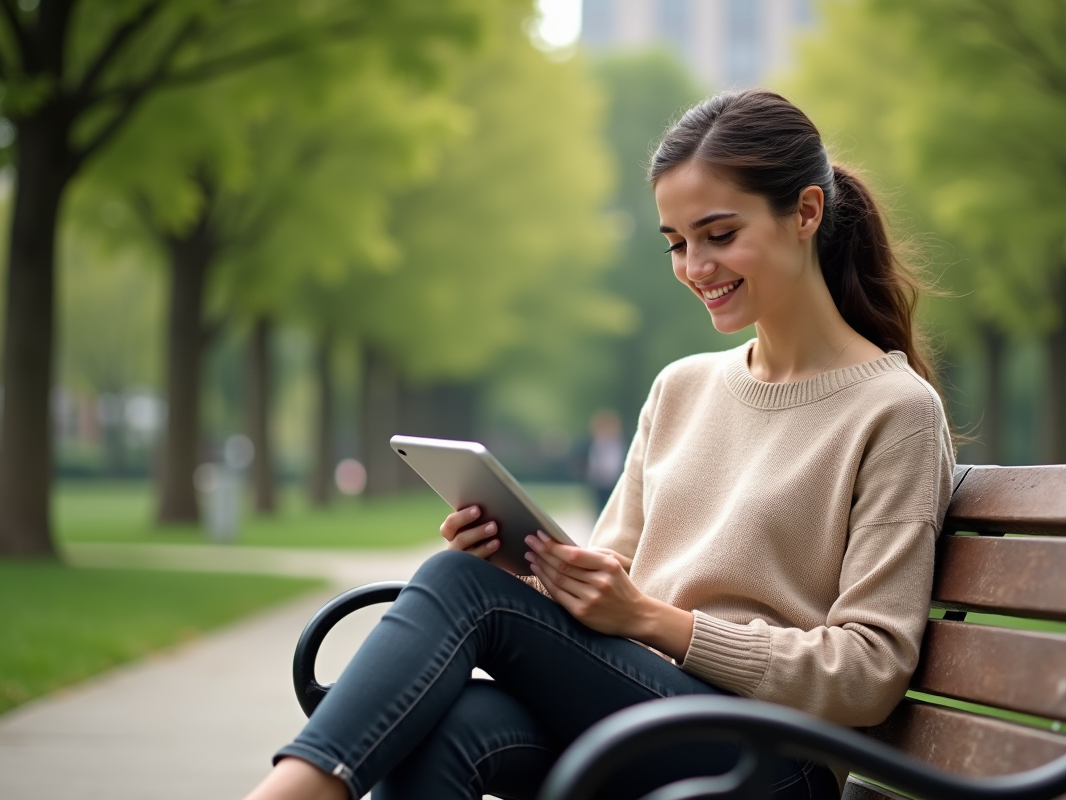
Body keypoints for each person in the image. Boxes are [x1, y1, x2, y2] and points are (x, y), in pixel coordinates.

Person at [243, 89, 955, 800]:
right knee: (454, 718)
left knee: (463, 592)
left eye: (718, 234)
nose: (695, 266)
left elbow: (868, 672)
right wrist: (530, 570)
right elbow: (611, 571)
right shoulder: (681, 388)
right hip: (648, 709)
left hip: (771, 760)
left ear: (804, 212)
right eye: (676, 243)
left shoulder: (893, 412)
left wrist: (651, 618)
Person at [584, 408, 626, 515]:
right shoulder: (594, 443)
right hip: (598, 482)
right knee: (600, 510)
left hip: (616, 482)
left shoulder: (621, 444)